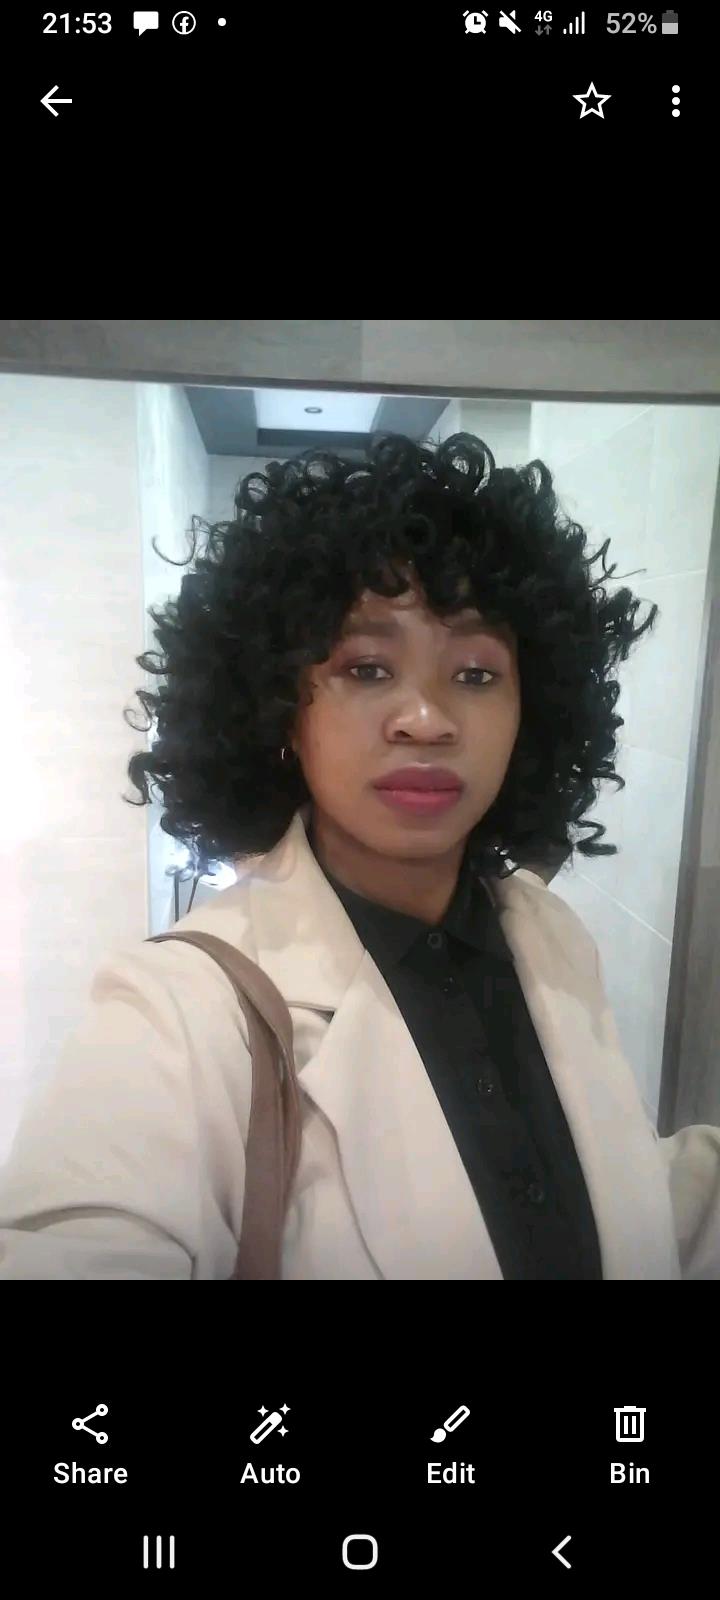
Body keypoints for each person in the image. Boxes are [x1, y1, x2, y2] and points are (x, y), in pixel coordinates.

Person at [0, 432, 718, 1279]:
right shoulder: (180, 1011)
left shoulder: (550, 934)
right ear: (281, 708)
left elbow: (608, 1195)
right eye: (368, 668)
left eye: (477, 674)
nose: (427, 720)